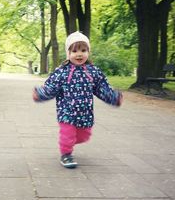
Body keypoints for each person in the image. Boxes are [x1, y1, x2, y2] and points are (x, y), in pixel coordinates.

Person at [32, 31, 123, 169]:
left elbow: (101, 88)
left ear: (88, 52)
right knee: (68, 134)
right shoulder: (62, 71)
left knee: (84, 136)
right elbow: (51, 87)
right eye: (74, 51)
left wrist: (114, 98)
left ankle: (68, 142)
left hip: (85, 112)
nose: (79, 54)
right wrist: (40, 94)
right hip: (67, 111)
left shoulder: (93, 72)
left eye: (83, 50)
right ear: (68, 54)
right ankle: (66, 154)